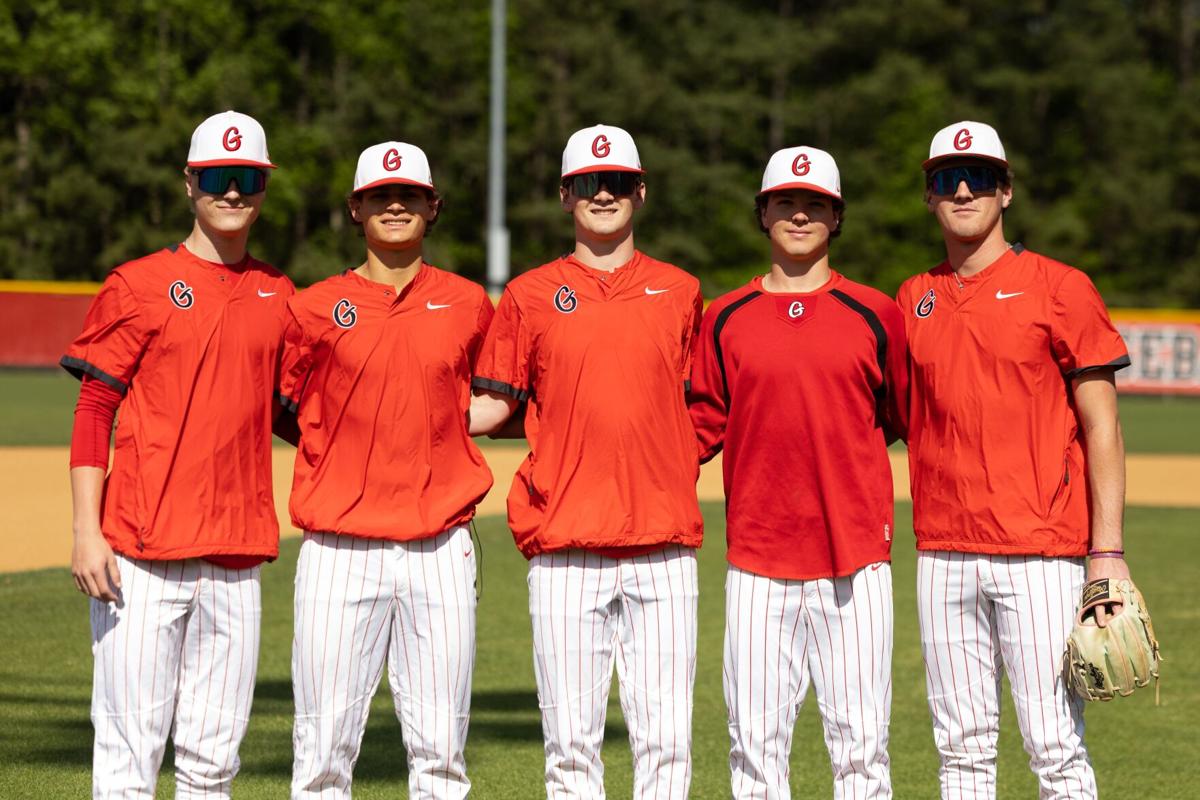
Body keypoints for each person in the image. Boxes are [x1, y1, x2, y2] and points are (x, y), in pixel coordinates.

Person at [896, 121, 1132, 799]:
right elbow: (902, 417)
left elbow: (1104, 426)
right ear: (930, 197)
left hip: (1040, 552)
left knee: (1053, 744)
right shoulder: (916, 297)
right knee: (960, 748)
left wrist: (1106, 554)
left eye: (978, 177)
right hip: (942, 551)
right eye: (946, 178)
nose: (962, 188)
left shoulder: (1059, 287)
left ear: (1006, 191)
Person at [467, 124, 703, 798]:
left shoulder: (681, 290)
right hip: (565, 540)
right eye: (589, 184)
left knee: (666, 740)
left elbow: (705, 407)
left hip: (662, 541)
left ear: (641, 192)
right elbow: (491, 405)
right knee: (570, 744)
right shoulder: (529, 294)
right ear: (566, 195)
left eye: (619, 183)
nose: (605, 194)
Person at [63, 110, 293, 798]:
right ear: (189, 183)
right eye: (218, 177)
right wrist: (85, 531)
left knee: (213, 759)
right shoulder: (136, 283)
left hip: (235, 554)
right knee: (129, 751)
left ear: (262, 186)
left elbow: (298, 415)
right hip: (139, 552)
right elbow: (94, 409)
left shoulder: (279, 293)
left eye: (247, 177)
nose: (232, 191)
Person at [276, 141, 493, 799]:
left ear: (432, 206)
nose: (393, 205)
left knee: (442, 754)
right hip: (340, 546)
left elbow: (499, 397)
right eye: (379, 195)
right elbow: (283, 408)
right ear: (356, 208)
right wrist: (337, 455)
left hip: (440, 545)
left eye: (407, 196)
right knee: (322, 750)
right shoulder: (313, 306)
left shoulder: (469, 303)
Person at [689, 146, 907, 799]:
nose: (800, 214)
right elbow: (701, 426)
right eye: (786, 202)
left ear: (837, 218)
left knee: (862, 752)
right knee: (755, 752)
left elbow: (897, 414)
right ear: (763, 214)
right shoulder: (723, 317)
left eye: (816, 204)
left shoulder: (877, 313)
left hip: (856, 559)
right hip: (758, 562)